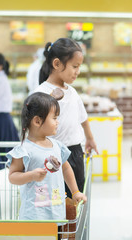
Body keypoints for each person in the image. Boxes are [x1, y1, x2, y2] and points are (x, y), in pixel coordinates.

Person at [6, 92, 87, 239]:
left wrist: (75, 192)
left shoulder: (57, 146)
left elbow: (66, 168)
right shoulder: (25, 149)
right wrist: (31, 175)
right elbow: (12, 177)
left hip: (56, 213)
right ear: (37, 121)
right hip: (33, 217)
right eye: (54, 118)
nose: (58, 122)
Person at [36, 38, 98, 199]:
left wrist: (90, 138)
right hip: (51, 156)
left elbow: (82, 117)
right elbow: (33, 128)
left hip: (75, 153)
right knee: (54, 201)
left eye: (79, 67)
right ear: (57, 64)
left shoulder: (72, 91)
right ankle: (58, 226)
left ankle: (72, 225)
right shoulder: (41, 93)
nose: (78, 71)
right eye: (74, 66)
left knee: (75, 201)